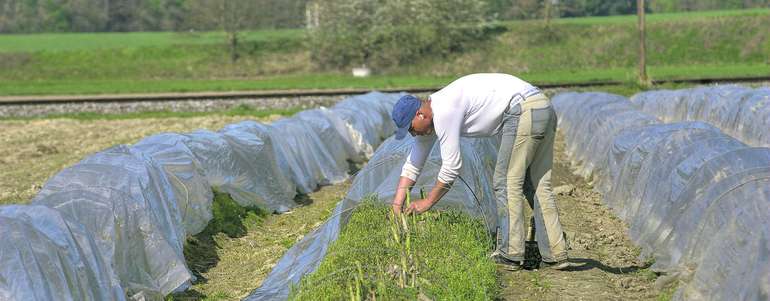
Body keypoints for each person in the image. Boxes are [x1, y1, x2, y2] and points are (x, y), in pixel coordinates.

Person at [390, 73, 570, 270]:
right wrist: (397, 204)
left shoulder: (444, 110)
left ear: (420, 115)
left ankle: (510, 254)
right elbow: (413, 164)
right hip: (541, 106)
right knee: (536, 184)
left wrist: (427, 201)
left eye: (411, 128)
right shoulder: (433, 114)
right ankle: (556, 253)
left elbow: (451, 167)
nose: (412, 134)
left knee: (506, 182)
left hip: (522, 110)